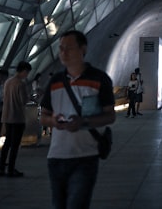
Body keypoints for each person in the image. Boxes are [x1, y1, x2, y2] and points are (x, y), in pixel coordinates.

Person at [40, 30, 116, 209]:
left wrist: (83, 122)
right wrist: (53, 122)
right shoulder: (55, 81)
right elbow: (43, 116)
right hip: (57, 156)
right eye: (61, 49)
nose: (63, 53)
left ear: (83, 49)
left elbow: (110, 116)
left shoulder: (99, 79)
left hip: (85, 156)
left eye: (69, 48)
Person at [0, 61, 31, 178]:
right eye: (27, 72)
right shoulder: (20, 84)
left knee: (7, 143)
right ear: (24, 71)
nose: (26, 75)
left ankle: (2, 168)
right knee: (15, 145)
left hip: (7, 116)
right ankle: (11, 169)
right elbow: (23, 100)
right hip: (17, 117)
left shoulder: (7, 82)